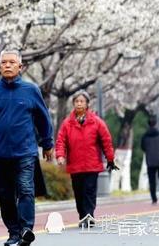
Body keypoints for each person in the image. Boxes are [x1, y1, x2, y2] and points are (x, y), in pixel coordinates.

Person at [0, 50, 54, 246]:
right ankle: (14, 233)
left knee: (25, 189)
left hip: (25, 151)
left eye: (12, 62)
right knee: (6, 194)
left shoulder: (31, 90)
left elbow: (43, 119)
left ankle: (26, 229)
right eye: (4, 63)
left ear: (20, 67)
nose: (7, 65)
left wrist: (47, 143)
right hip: (0, 152)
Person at [55, 90, 117, 227]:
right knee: (79, 192)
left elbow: (106, 140)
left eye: (82, 101)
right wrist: (60, 156)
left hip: (91, 164)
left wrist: (110, 158)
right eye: (77, 101)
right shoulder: (67, 123)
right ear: (73, 104)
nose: (79, 104)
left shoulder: (96, 122)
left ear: (87, 104)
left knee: (89, 191)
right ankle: (82, 215)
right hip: (75, 165)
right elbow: (61, 141)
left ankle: (89, 216)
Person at [141, 116, 159, 205]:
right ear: (155, 124)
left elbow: (143, 147)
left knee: (152, 181)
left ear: (148, 124)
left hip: (150, 161)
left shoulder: (145, 136)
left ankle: (154, 199)